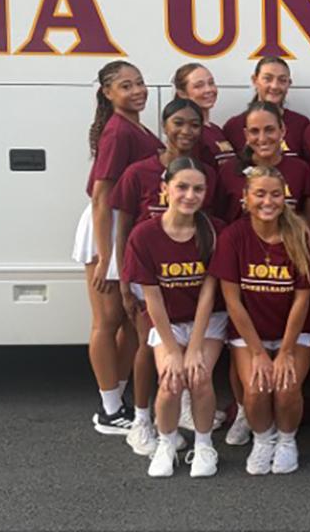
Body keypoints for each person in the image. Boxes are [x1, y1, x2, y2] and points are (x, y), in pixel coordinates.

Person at [112, 97, 217, 455]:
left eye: (194, 124)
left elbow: (206, 225)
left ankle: (183, 411)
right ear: (164, 126)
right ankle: (142, 421)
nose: (187, 130)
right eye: (179, 123)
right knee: (148, 346)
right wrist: (124, 281)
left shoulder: (204, 172)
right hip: (148, 276)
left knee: (188, 355)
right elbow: (123, 226)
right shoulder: (138, 172)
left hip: (186, 276)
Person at [214, 100, 310, 446]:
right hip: (242, 264)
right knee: (246, 369)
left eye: (269, 129)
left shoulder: (301, 170)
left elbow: (309, 214)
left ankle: (284, 438)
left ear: (283, 131)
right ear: (244, 136)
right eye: (254, 131)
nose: (262, 137)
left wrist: (294, 246)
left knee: (286, 387)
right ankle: (246, 411)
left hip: (286, 260)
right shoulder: (229, 172)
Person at [210, 165, 310, 475]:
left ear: (285, 197)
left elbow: (302, 299)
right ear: (246, 197)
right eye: (259, 194)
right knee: (257, 390)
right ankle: (263, 439)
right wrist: (259, 353)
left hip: (295, 332)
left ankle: (287, 441)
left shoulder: (301, 234)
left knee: (286, 388)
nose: (268, 201)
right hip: (251, 333)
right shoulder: (234, 236)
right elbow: (232, 300)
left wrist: (285, 352)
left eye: (276, 194)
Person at [121, 157, 227, 477]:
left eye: (198, 189)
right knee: (170, 380)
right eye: (182, 187)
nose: (190, 195)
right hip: (167, 320)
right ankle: (166, 443)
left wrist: (193, 348)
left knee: (199, 376)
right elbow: (152, 299)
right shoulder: (144, 236)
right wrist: (172, 350)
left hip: (207, 320)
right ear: (165, 189)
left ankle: (205, 445)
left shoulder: (214, 230)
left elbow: (209, 294)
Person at [72, 60, 163, 434]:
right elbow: (100, 195)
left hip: (123, 227)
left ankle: (118, 400)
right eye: (126, 86)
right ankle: (109, 410)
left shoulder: (132, 126)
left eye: (140, 83)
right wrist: (106, 255)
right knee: (107, 322)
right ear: (108, 93)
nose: (137, 90)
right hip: (106, 229)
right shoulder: (116, 131)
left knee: (129, 319)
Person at [222, 57, 309, 159]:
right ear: (255, 80)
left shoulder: (301, 125)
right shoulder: (234, 126)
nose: (275, 86)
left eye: (282, 80)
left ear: (289, 84)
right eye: (268, 79)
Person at [173, 63, 236, 167]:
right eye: (199, 86)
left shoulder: (216, 129)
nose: (208, 90)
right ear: (182, 94)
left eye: (211, 83)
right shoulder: (188, 133)